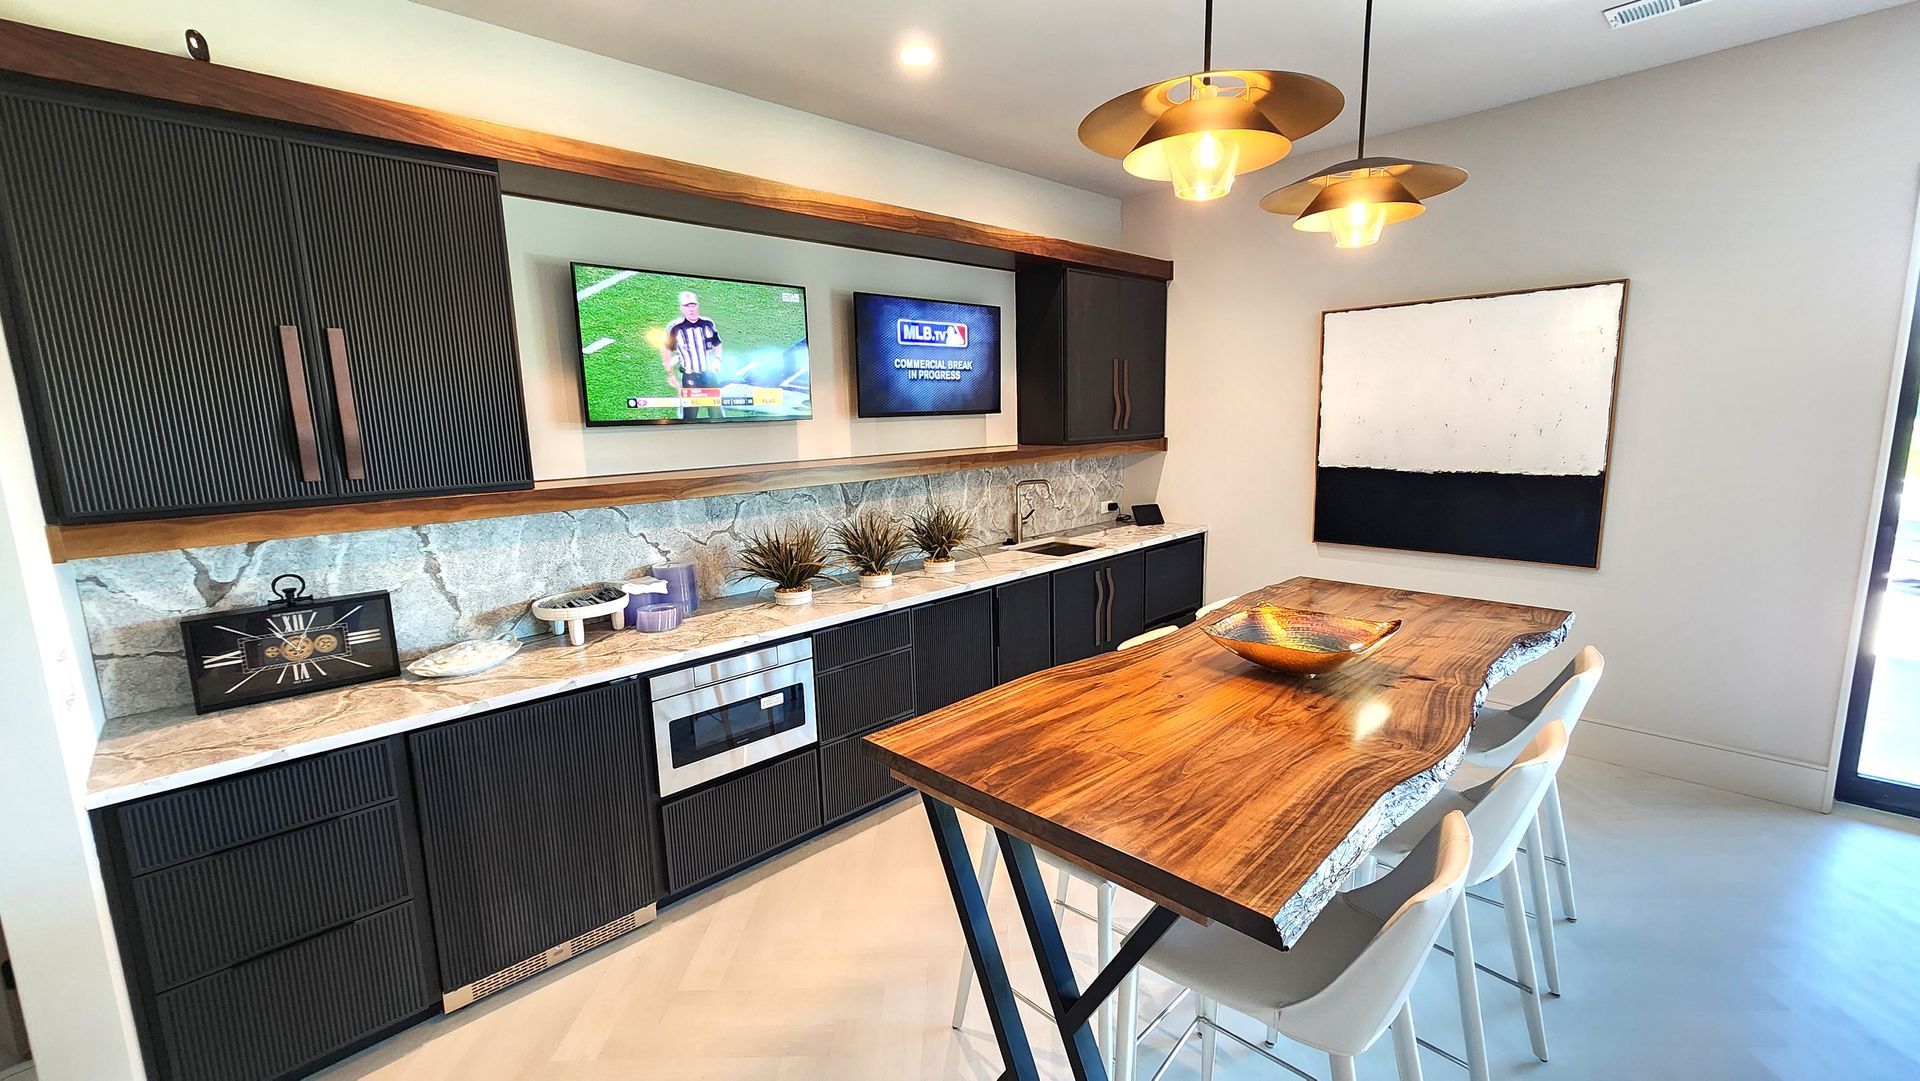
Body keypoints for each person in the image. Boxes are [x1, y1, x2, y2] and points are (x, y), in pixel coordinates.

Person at [661, 290, 725, 419]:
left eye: (693, 305)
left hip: (709, 375)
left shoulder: (708, 323)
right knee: (690, 415)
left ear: (698, 306)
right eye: (687, 306)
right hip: (690, 376)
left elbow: (717, 343)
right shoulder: (676, 328)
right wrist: (670, 374)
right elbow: (667, 349)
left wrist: (718, 359)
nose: (691, 309)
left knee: (716, 414)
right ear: (681, 309)